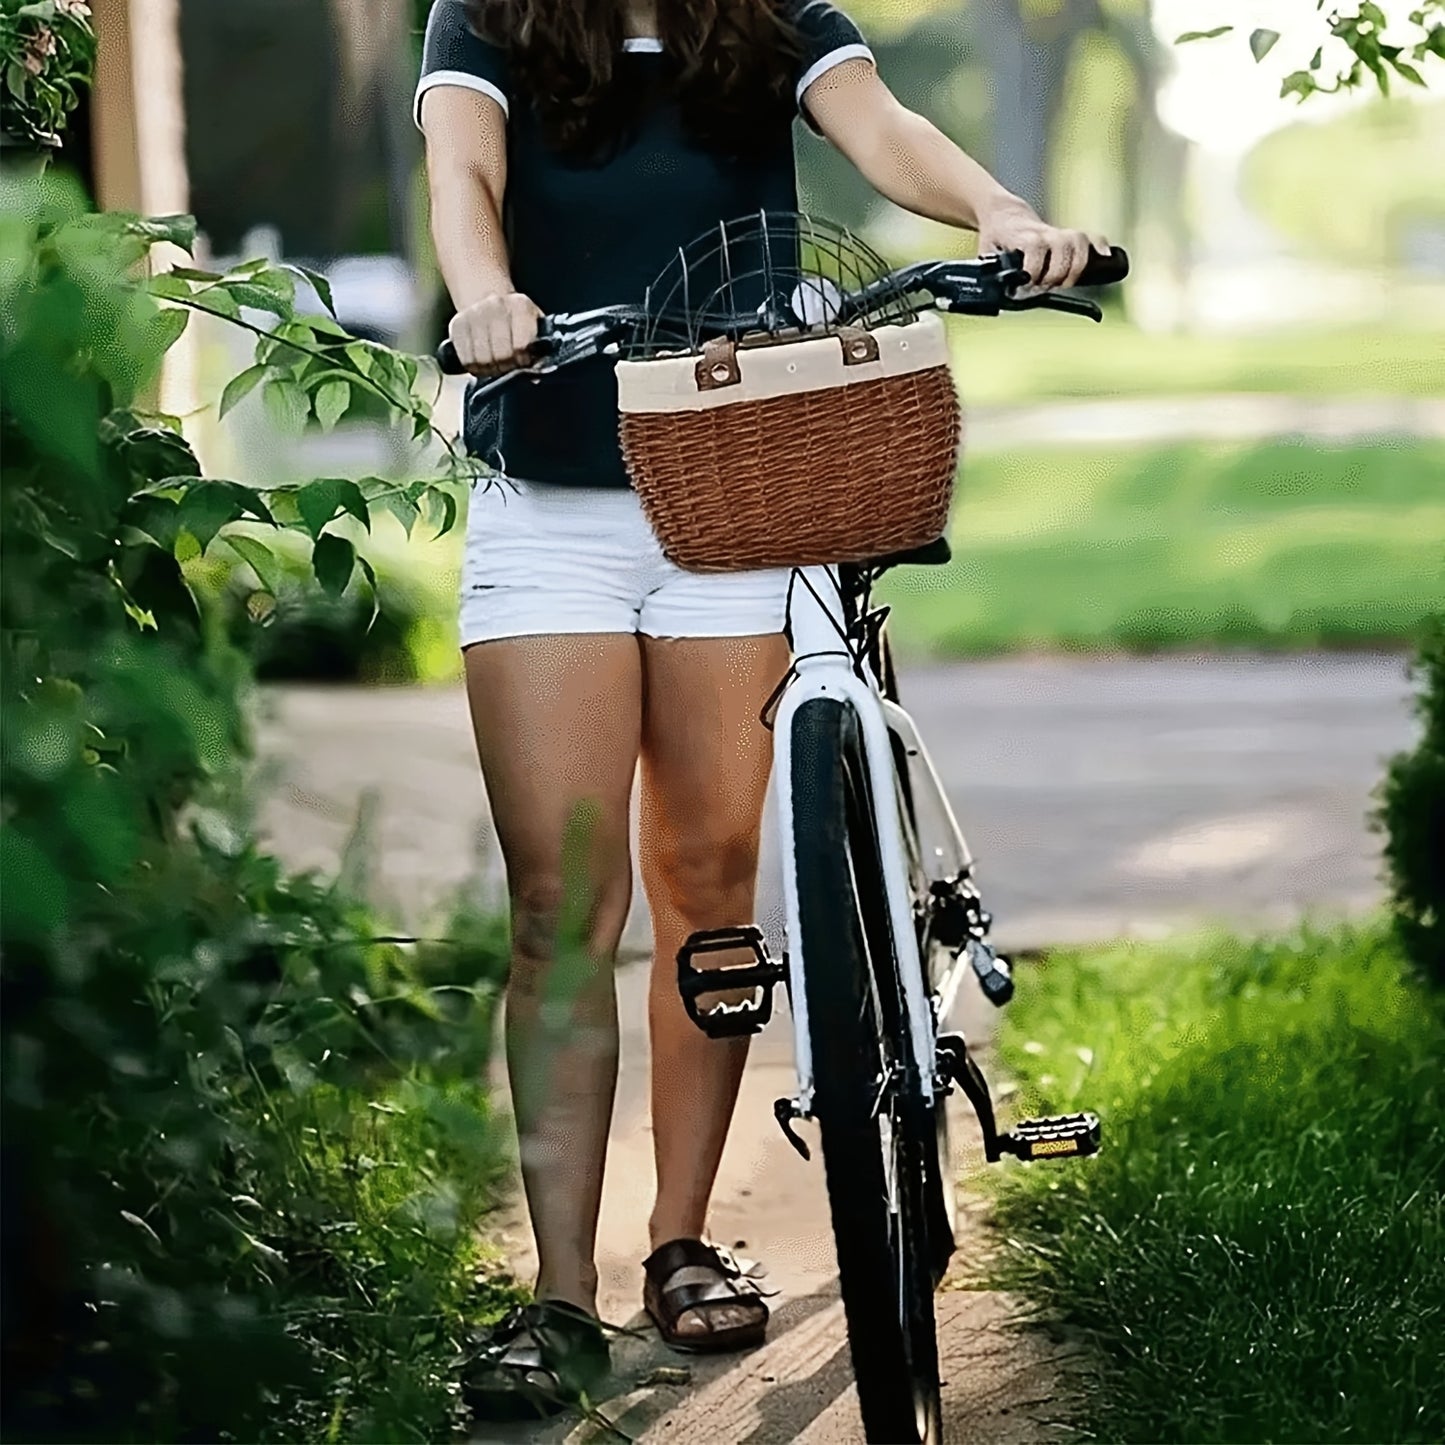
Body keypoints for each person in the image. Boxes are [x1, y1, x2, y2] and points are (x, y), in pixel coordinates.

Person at [415, 0, 1108, 1416]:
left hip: (735, 488)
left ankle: (678, 1238)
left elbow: (885, 130)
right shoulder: (486, 19)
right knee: (563, 899)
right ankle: (558, 1290)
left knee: (711, 884)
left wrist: (997, 206)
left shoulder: (772, 18)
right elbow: (463, 175)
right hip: (549, 499)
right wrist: (483, 291)